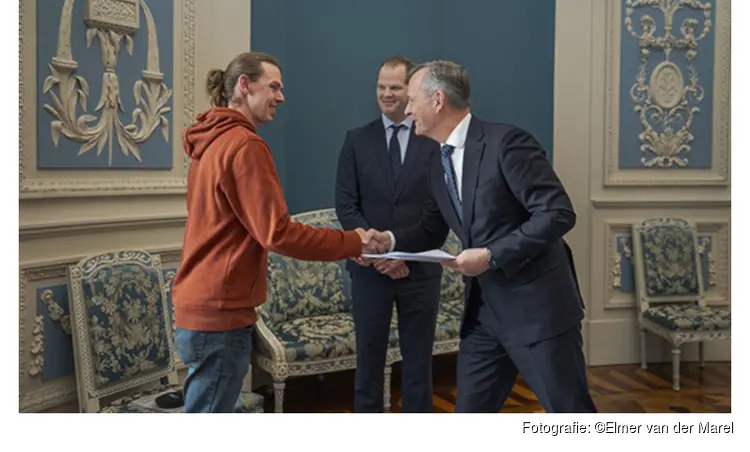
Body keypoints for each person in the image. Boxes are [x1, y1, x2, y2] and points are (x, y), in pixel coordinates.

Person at [370, 60, 597, 413]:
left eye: (412, 99)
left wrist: (490, 255)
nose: (407, 107)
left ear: (438, 100)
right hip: (484, 317)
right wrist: (387, 241)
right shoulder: (436, 161)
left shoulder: (506, 142)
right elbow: (431, 229)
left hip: (538, 311)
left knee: (570, 415)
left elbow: (557, 213)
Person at [171, 51, 385, 413]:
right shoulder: (245, 145)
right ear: (243, 85)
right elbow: (278, 233)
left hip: (199, 304)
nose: (281, 97)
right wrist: (353, 241)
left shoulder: (208, 143)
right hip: (220, 311)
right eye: (273, 86)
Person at [335, 56, 448, 413]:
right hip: (370, 272)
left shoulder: (432, 141)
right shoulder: (356, 140)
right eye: (381, 86)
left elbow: (438, 209)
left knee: (419, 365)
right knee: (368, 362)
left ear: (411, 90)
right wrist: (381, 256)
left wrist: (401, 251)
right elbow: (346, 206)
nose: (386, 94)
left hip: (420, 270)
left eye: (395, 87)